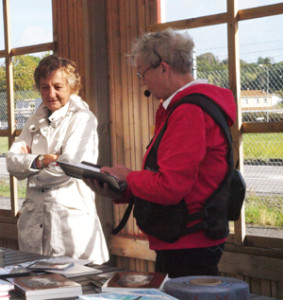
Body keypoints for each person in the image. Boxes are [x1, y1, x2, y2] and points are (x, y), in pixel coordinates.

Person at [85, 28, 236, 277]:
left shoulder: (189, 111)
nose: (142, 81)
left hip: (187, 242)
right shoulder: (186, 106)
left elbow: (171, 186)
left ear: (163, 69)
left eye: (142, 73)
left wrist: (128, 177)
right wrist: (122, 189)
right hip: (185, 238)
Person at [6, 55, 109, 264]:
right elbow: (10, 162)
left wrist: (29, 169)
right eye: (44, 87)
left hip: (70, 230)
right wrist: (41, 160)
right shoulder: (37, 117)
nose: (51, 94)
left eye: (57, 86)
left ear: (72, 87)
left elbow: (67, 170)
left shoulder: (82, 118)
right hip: (35, 226)